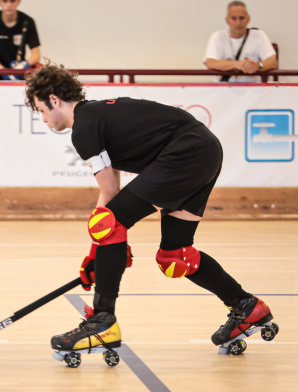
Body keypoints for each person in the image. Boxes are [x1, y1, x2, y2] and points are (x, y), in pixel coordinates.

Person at [23, 62, 277, 359]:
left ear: (54, 99)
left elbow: (109, 216)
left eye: (41, 110)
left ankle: (101, 321)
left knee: (109, 224)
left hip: (186, 153)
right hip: (204, 151)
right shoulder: (97, 117)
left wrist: (103, 244)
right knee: (176, 256)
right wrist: (98, 252)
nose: (42, 119)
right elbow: (110, 193)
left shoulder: (84, 125)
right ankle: (247, 306)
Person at [204, 0, 277, 83]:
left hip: (253, 90)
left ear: (248, 19)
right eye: (233, 18)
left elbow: (273, 62)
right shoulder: (217, 36)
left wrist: (258, 65)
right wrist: (238, 64)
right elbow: (210, 63)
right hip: (223, 90)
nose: (238, 23)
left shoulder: (259, 35)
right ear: (227, 20)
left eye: (241, 18)